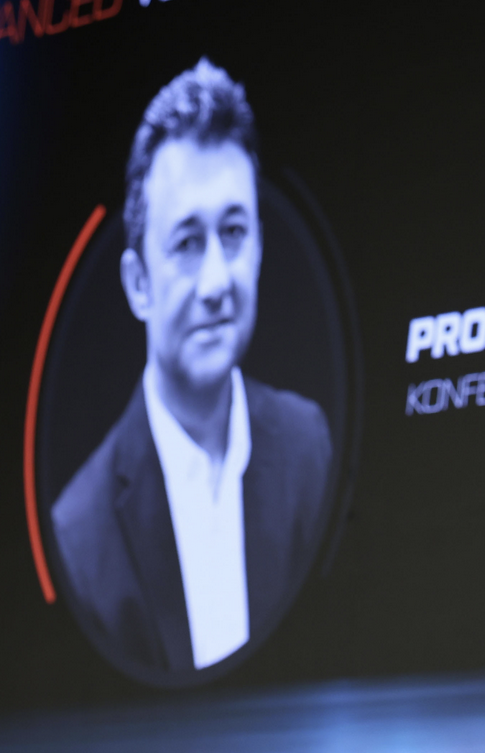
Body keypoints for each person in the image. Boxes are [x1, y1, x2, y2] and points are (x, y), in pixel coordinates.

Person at [52, 59, 332, 674]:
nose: (215, 283)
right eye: (186, 243)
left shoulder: (309, 446)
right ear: (138, 284)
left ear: (259, 246)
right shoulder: (79, 535)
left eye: (233, 233)